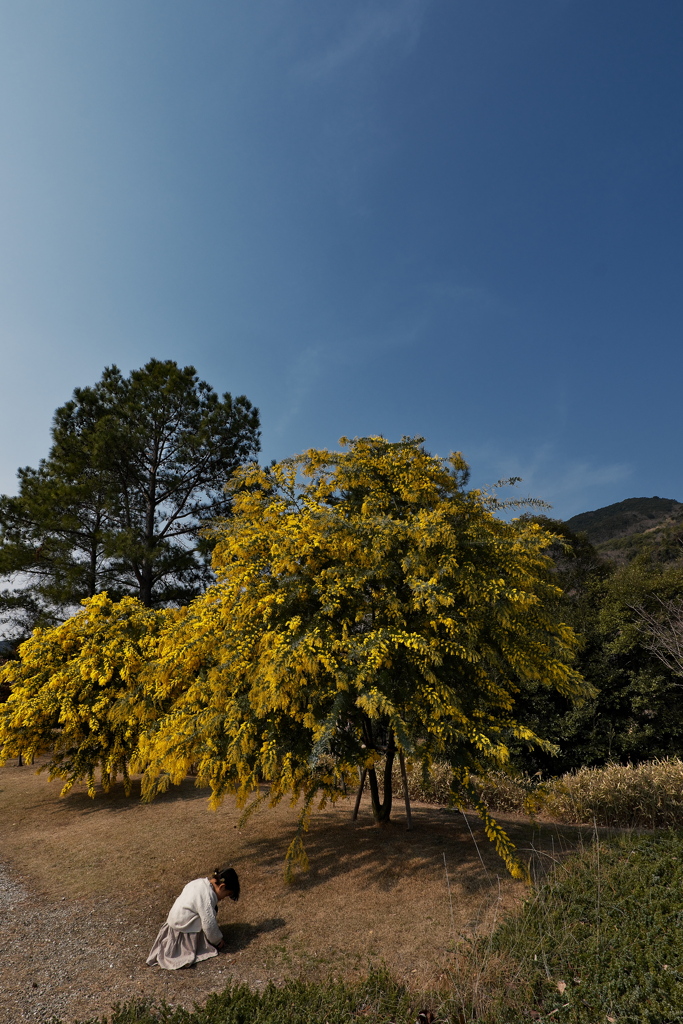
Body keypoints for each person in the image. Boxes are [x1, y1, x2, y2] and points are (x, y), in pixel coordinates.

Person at [147, 866, 240, 970]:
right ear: (222, 887)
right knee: (208, 916)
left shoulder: (199, 882)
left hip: (173, 921)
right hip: (183, 927)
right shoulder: (207, 897)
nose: (223, 898)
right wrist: (217, 941)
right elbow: (209, 924)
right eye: (226, 894)